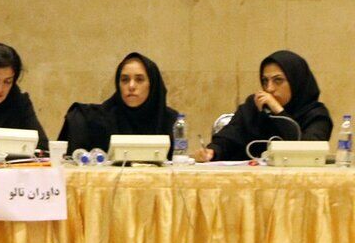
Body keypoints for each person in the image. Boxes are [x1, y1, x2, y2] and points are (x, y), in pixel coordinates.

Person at [196, 50, 332, 162]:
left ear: (297, 81)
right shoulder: (255, 106)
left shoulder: (317, 115)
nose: (269, 88)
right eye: (265, 81)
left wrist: (279, 111)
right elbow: (229, 138)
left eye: (278, 80)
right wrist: (212, 151)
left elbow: (306, 152)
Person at [58, 52, 179, 155]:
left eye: (139, 79)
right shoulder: (93, 120)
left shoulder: (169, 121)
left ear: (152, 85)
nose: (131, 86)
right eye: (125, 80)